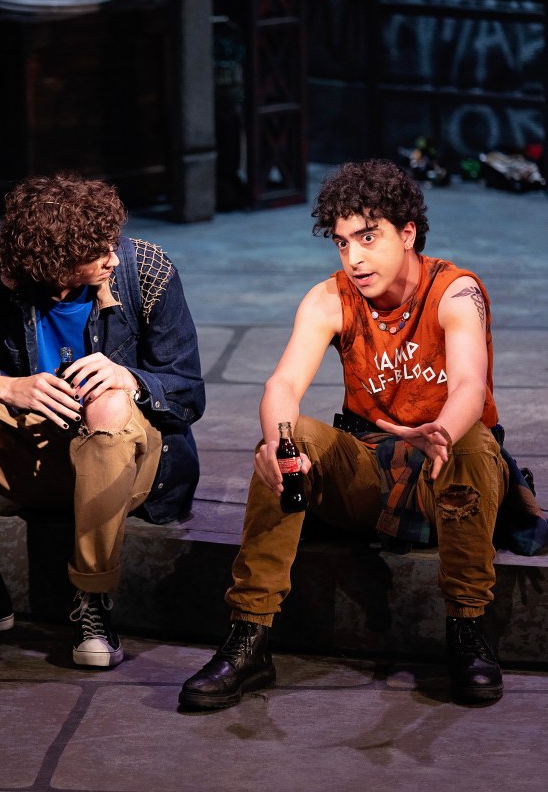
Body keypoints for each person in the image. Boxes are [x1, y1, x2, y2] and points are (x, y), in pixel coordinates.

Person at [179, 158, 547, 710]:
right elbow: (282, 384)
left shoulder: (456, 292)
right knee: (286, 443)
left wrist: (441, 432)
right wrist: (280, 445)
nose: (353, 258)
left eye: (368, 238)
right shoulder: (330, 298)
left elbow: (470, 385)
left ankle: (468, 629)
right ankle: (248, 638)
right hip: (371, 468)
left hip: (450, 475)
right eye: (342, 242)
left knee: (472, 442)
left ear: (407, 234)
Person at [0, 172, 204, 668]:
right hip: (38, 457)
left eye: (112, 242)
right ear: (53, 263)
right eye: (97, 252)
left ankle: (93, 602)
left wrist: (129, 379)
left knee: (108, 403)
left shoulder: (147, 269)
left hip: (129, 467)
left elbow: (189, 393)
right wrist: (5, 388)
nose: (113, 257)